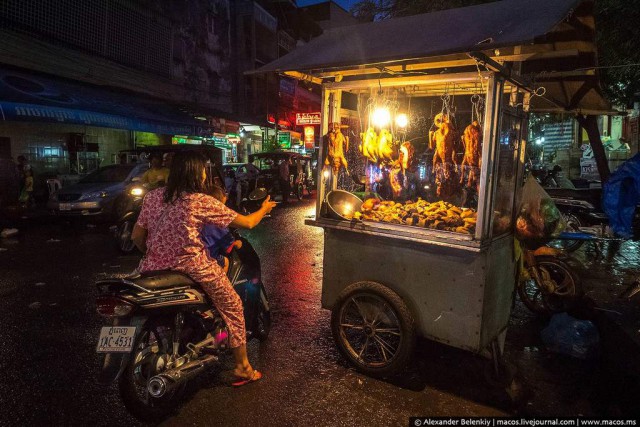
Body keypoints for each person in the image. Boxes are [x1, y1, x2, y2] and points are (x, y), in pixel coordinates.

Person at [131, 151, 276, 386]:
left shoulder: (153, 196)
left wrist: (154, 254)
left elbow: (137, 236)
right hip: (192, 266)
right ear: (195, 172)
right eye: (202, 169)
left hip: (152, 268)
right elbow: (248, 222)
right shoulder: (199, 200)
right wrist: (265, 209)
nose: (204, 173)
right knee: (233, 305)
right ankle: (242, 367)